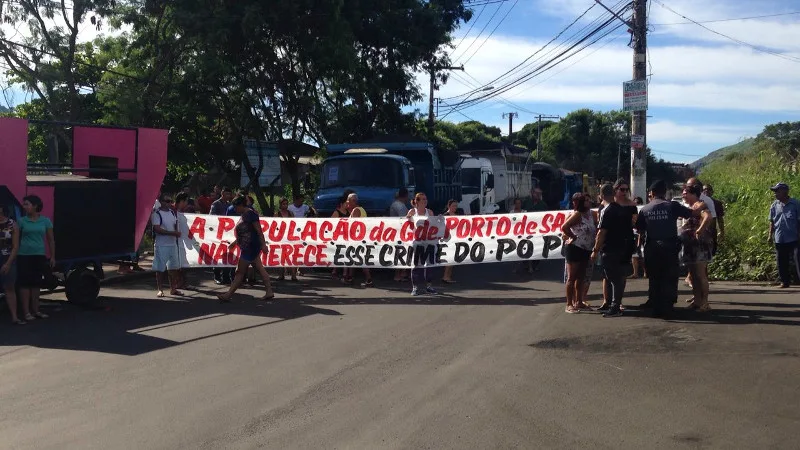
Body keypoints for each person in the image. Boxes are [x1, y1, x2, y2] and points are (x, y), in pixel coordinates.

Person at [635, 180, 694, 317]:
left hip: (652, 247)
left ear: (652, 193)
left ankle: (655, 306)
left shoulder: (645, 209)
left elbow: (640, 229)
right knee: (670, 276)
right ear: (665, 191)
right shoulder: (672, 206)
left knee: (654, 277)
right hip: (670, 247)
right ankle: (668, 305)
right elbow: (691, 213)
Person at [591, 180, 636, 318]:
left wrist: (595, 250)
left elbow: (601, 232)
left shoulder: (607, 210)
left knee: (613, 278)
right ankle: (614, 305)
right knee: (619, 278)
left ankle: (615, 307)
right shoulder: (621, 210)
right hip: (624, 247)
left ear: (602, 195)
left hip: (611, 249)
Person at [217, 196, 274, 302]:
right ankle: (269, 291)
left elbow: (259, 231)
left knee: (239, 272)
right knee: (260, 269)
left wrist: (263, 245)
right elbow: (243, 233)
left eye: (235, 206)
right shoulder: (245, 214)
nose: (234, 209)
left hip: (250, 247)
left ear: (241, 205)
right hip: (248, 246)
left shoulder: (251, 214)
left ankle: (228, 295)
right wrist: (235, 243)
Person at [17, 195, 55, 321]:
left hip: (39, 254)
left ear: (35, 206)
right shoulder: (21, 221)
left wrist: (52, 256)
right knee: (25, 284)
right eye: (24, 204)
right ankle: (26, 312)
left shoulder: (45, 221)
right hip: (24, 255)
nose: (25, 206)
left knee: (36, 283)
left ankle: (36, 310)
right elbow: (16, 240)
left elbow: (50, 240)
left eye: (27, 204)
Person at [680, 185, 714, 312]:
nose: (683, 196)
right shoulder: (691, 208)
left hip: (699, 246)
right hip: (690, 245)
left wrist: (699, 230)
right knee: (693, 275)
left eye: (685, 193)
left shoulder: (701, 205)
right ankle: (697, 300)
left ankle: (705, 303)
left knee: (700, 275)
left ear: (694, 194)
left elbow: (708, 217)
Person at [561, 193, 596, 314]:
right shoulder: (577, 214)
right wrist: (573, 236)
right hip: (575, 248)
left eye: (589, 200)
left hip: (586, 249)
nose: (588, 202)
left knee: (581, 277)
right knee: (572, 277)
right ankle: (569, 304)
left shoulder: (592, 215)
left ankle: (579, 301)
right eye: (585, 200)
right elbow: (564, 227)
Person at [768, 182, 800, 288]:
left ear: (785, 191)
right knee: (781, 261)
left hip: (794, 237)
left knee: (798, 260)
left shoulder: (795, 204)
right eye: (775, 191)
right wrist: (769, 236)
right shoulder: (774, 205)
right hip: (780, 238)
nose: (775, 194)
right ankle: (784, 282)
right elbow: (772, 221)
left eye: (777, 191)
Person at [406, 192, 438, 296]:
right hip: (417, 242)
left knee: (429, 264)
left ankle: (429, 286)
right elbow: (407, 227)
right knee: (416, 265)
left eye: (425, 199)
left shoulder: (430, 212)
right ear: (417, 201)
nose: (425, 201)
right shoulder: (412, 212)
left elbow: (434, 226)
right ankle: (415, 287)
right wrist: (408, 219)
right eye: (422, 199)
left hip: (429, 241)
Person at [151, 193, 183, 298]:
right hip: (162, 245)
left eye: (170, 201)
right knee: (160, 268)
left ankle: (173, 289)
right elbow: (157, 229)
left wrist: (177, 233)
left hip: (172, 244)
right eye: (167, 201)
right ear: (161, 202)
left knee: (173, 268)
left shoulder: (172, 213)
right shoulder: (157, 213)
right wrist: (173, 233)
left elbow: (175, 226)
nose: (170, 203)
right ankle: (160, 289)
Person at [343, 193, 373, 287]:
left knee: (359, 259)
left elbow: (353, 225)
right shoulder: (362, 209)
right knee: (353, 258)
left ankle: (368, 279)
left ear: (354, 201)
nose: (347, 202)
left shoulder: (356, 210)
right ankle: (350, 277)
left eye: (348, 200)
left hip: (357, 238)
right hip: (359, 237)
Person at [1, 204, 23, 324]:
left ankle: (14, 316)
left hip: (7, 258)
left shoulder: (12, 224)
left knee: (9, 287)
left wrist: (8, 263)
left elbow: (15, 247)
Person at [210, 187, 234, 284]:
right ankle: (217, 275)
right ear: (222, 193)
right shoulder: (215, 204)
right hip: (218, 233)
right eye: (226, 194)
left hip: (228, 233)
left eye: (229, 194)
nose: (228, 196)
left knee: (228, 254)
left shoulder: (229, 205)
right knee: (218, 254)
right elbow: (211, 218)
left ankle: (226, 276)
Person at [390, 188, 410, 282]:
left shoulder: (395, 204)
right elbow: (403, 220)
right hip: (400, 232)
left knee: (402, 253)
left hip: (397, 231)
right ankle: (398, 274)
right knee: (400, 253)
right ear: (405, 196)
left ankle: (402, 272)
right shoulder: (400, 206)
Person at [275, 198, 298, 282]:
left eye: (286, 204)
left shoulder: (290, 213)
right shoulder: (277, 214)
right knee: (280, 256)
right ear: (280, 205)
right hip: (280, 238)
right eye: (283, 204)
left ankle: (293, 275)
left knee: (292, 256)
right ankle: (281, 275)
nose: (285, 205)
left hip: (290, 237)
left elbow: (294, 224)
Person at [174, 192, 193, 290]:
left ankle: (182, 283)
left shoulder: (181, 212)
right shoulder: (172, 211)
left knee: (183, 263)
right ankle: (178, 283)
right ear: (182, 201)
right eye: (186, 201)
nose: (187, 204)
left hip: (181, 242)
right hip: (174, 242)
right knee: (177, 264)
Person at [703, 184, 725, 255]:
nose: (706, 191)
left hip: (712, 232)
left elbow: (720, 219)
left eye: (708, 189)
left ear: (712, 192)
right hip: (701, 232)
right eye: (704, 189)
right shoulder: (698, 204)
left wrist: (722, 232)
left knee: (712, 253)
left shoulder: (717, 203)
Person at [441, 199, 459, 284]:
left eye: (456, 206)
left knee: (452, 260)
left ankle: (448, 276)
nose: (455, 208)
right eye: (453, 206)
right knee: (449, 259)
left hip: (454, 239)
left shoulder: (457, 216)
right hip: (447, 240)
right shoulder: (445, 216)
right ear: (449, 206)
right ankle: (446, 276)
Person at [630, 196, 645, 278]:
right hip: (635, 234)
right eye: (635, 202)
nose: (636, 203)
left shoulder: (643, 210)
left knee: (642, 254)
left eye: (638, 202)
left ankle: (646, 272)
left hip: (642, 234)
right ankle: (635, 273)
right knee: (635, 254)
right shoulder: (632, 210)